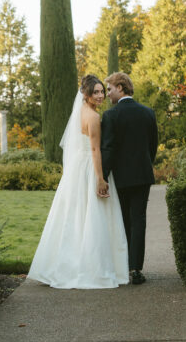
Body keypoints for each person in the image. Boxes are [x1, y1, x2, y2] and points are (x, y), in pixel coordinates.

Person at [28, 75, 129, 289]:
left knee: (74, 216)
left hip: (77, 169)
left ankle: (65, 264)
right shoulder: (92, 117)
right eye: (96, 92)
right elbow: (94, 149)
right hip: (90, 168)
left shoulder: (80, 112)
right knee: (94, 216)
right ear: (86, 94)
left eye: (103, 91)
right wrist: (100, 178)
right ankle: (92, 269)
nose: (101, 95)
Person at [101, 72, 158, 285]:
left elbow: (108, 149)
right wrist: (145, 165)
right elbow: (153, 146)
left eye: (110, 89)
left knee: (125, 220)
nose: (107, 94)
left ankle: (125, 267)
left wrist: (103, 176)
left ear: (121, 88)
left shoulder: (111, 116)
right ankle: (136, 269)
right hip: (143, 175)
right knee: (139, 220)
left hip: (122, 178)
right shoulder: (148, 113)